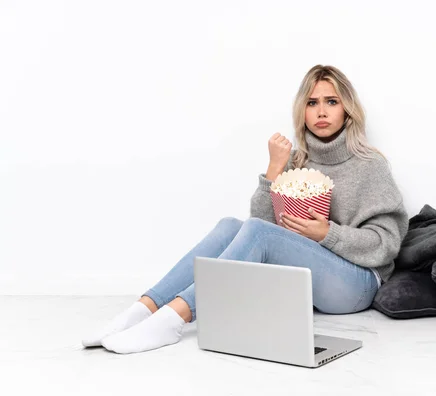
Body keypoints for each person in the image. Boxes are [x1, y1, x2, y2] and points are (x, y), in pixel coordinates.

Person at [81, 64, 409, 354]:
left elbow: (387, 244)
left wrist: (329, 233)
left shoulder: (370, 165)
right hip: (309, 281)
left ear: (347, 109)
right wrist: (274, 170)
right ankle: (142, 310)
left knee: (253, 231)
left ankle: (174, 318)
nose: (321, 111)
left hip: (358, 283)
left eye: (331, 101)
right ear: (302, 111)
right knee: (228, 226)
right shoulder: (299, 161)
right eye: (312, 103)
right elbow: (263, 234)